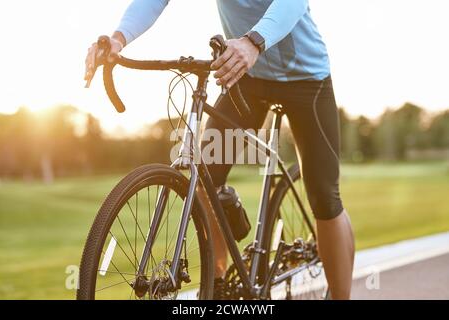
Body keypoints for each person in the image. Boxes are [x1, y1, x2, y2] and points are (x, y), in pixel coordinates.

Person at [84, 0, 355, 300]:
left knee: (324, 197)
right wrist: (119, 38)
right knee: (206, 178)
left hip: (305, 79)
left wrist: (254, 41)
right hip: (248, 79)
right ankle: (219, 285)